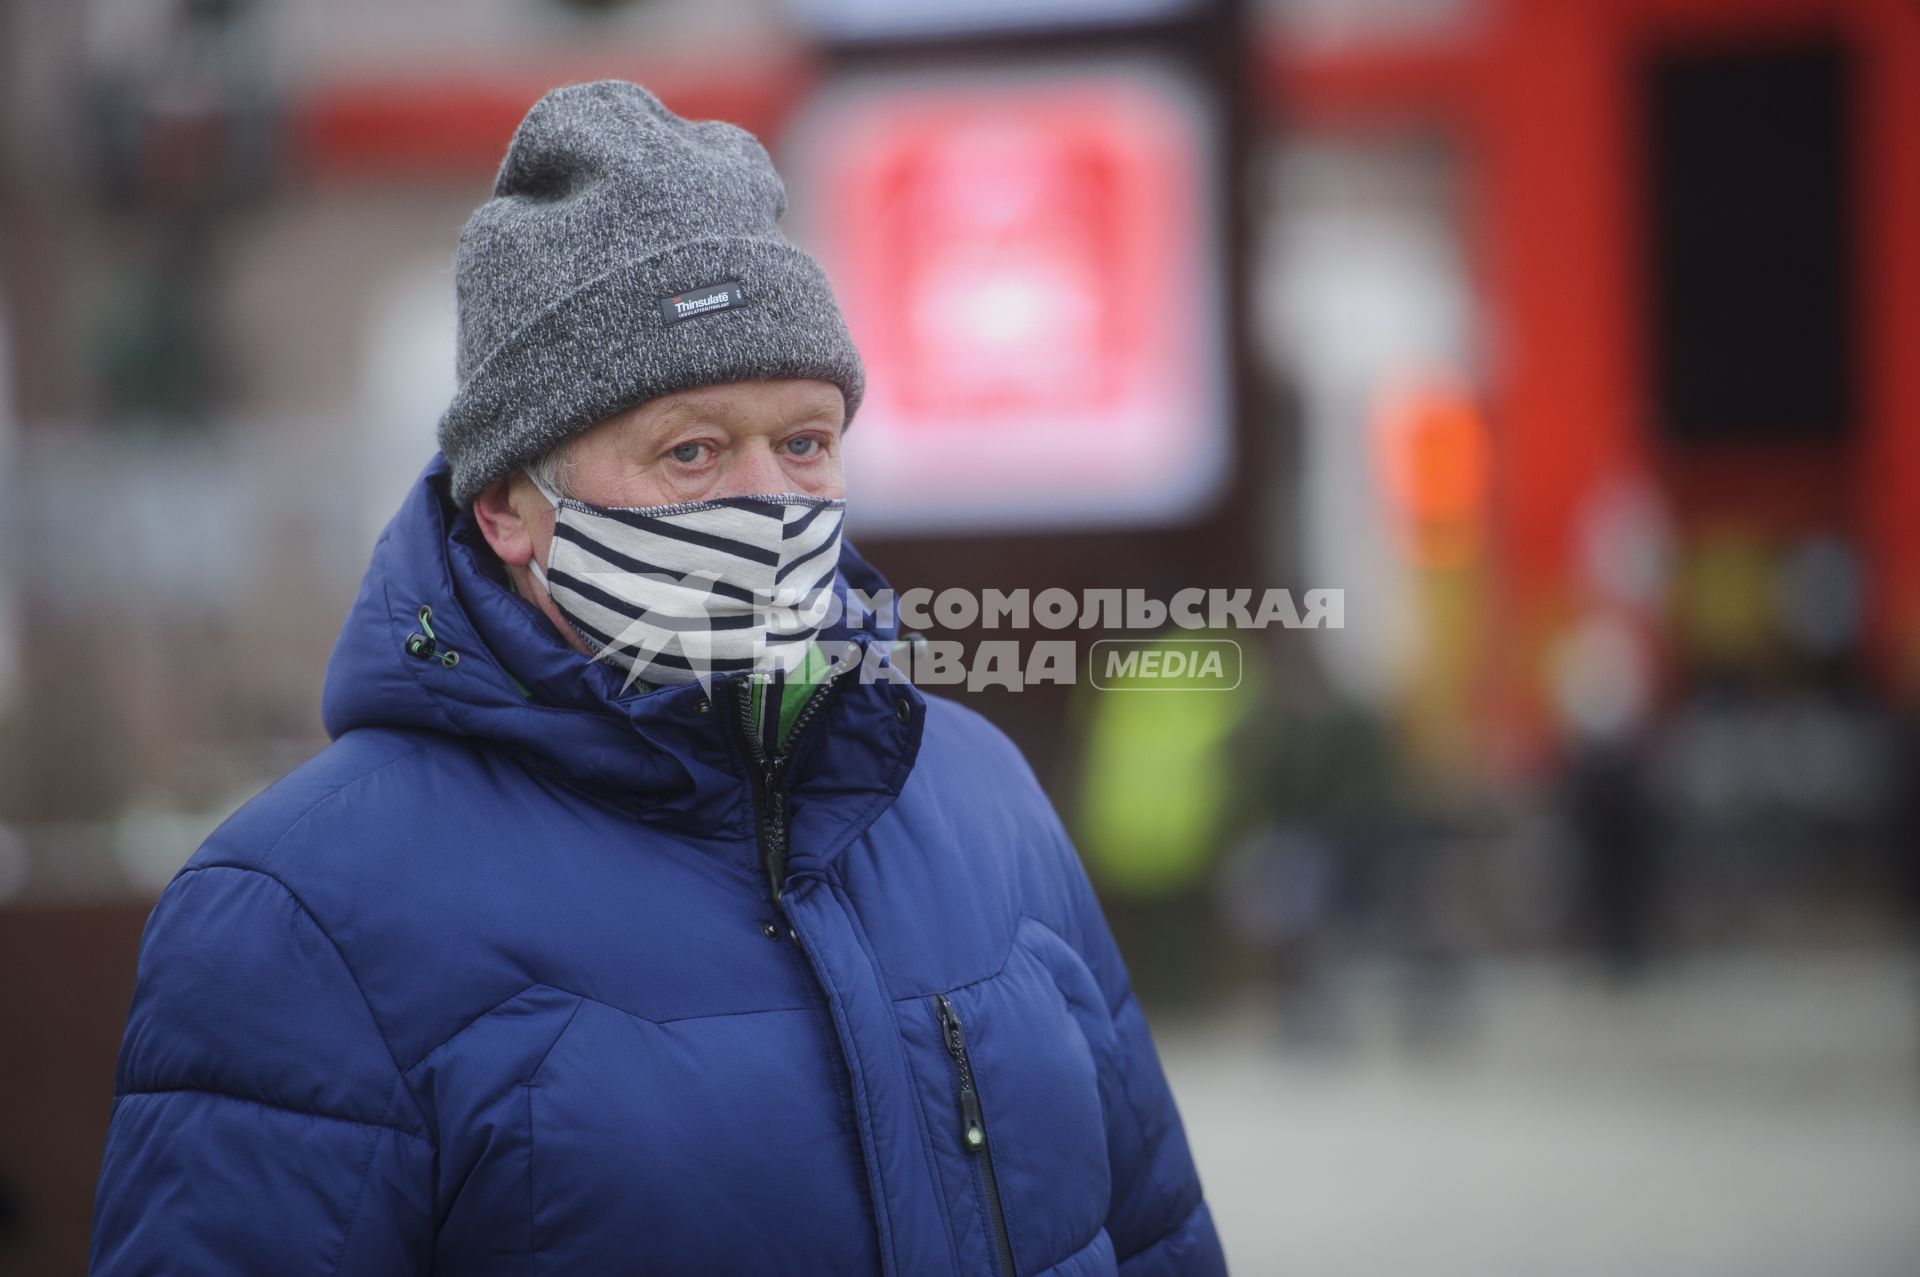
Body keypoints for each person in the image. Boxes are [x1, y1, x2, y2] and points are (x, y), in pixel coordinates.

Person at [88, 80, 1227, 1276]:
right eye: (691, 450)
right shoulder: (300, 911)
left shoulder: (980, 797)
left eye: (805, 440)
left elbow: (1154, 1234)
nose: (772, 502)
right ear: (508, 506)